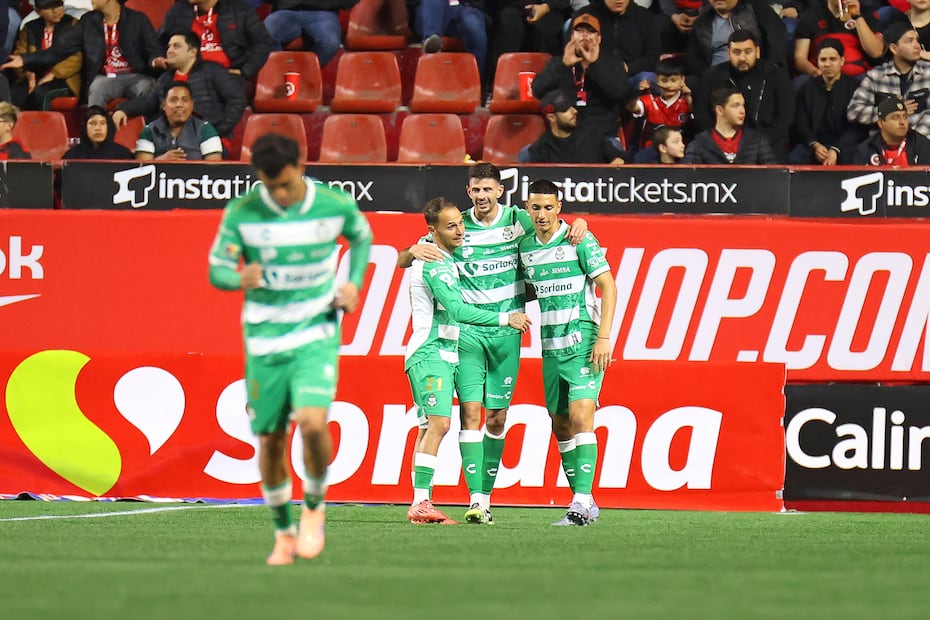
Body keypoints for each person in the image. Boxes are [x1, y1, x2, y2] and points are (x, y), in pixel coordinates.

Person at [207, 132, 373, 565]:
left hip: (314, 334)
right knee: (270, 440)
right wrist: (237, 278)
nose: (278, 194)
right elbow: (217, 269)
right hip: (263, 339)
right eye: (269, 185)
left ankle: (314, 508)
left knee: (315, 425)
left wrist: (353, 282)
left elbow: (361, 236)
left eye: (284, 184)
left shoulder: (332, 204)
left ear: (300, 169)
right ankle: (283, 531)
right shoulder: (243, 212)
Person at [397, 162, 589, 524]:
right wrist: (409, 251)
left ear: (501, 191)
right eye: (476, 190)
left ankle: (485, 495)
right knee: (469, 413)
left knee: (497, 419)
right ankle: (476, 502)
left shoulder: (519, 220)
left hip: (506, 335)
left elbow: (556, 227)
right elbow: (408, 257)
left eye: (489, 189)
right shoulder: (456, 225)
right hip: (468, 332)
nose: (482, 196)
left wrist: (581, 224)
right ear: (469, 192)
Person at [404, 196, 531, 525]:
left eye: (460, 224)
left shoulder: (442, 255)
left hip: (443, 352)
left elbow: (406, 256)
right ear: (433, 232)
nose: (460, 230)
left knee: (427, 426)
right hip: (431, 351)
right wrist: (507, 319)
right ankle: (421, 503)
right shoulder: (434, 261)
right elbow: (458, 311)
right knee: (440, 424)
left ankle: (421, 502)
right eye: (451, 226)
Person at [517, 179, 616, 527]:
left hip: (583, 340)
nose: (542, 214)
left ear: (559, 207)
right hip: (549, 346)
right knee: (560, 424)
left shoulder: (579, 240)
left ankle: (580, 500)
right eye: (536, 208)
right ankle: (584, 502)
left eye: (548, 207)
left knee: (581, 415)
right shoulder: (525, 246)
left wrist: (603, 337)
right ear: (527, 210)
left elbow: (608, 285)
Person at [1, 0, 164, 108]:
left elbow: (152, 49)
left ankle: (148, 137)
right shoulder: (89, 21)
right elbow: (60, 50)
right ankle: (95, 142)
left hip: (134, 75)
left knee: (151, 88)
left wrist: (155, 60)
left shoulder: (137, 19)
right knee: (96, 89)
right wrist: (24, 59)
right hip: (105, 78)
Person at [112, 31, 247, 139]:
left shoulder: (213, 71)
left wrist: (217, 132)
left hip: (209, 138)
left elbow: (237, 100)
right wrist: (123, 109)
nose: (169, 51)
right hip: (172, 140)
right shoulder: (166, 78)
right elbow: (149, 101)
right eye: (169, 46)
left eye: (176, 46)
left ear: (192, 52)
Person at [692, 29, 794, 162]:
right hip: (721, 145)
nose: (742, 58)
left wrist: (758, 143)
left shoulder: (774, 75)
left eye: (748, 51)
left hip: (768, 142)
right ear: (728, 53)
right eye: (736, 52)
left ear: (757, 52)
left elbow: (785, 116)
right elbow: (702, 115)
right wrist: (721, 140)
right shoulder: (712, 76)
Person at [531, 12, 632, 139]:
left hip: (602, 137)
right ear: (572, 36)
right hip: (565, 136)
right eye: (579, 31)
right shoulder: (558, 62)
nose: (584, 35)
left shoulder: (613, 63)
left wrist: (595, 65)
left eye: (590, 31)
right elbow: (537, 90)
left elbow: (621, 94)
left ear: (599, 38)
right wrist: (563, 66)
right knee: (526, 154)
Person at [848, 22, 930, 140]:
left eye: (917, 40)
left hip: (921, 144)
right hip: (883, 145)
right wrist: (889, 110)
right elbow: (854, 111)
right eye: (909, 41)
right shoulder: (876, 75)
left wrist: (912, 143)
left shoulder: (928, 72)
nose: (917, 46)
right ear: (894, 48)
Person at [159, 0, 273, 82]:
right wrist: (159, 58)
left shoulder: (240, 10)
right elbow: (160, 41)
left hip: (226, 76)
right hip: (186, 73)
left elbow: (262, 42)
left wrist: (245, 71)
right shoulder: (178, 11)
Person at [791, 38, 864, 165]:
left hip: (845, 146)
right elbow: (800, 122)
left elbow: (858, 127)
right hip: (815, 145)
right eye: (823, 60)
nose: (827, 64)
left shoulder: (855, 88)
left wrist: (836, 150)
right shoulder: (807, 88)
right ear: (818, 62)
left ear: (842, 61)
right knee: (795, 158)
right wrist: (814, 145)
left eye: (833, 59)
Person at [685, 0, 787, 79]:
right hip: (718, 79)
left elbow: (776, 37)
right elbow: (693, 59)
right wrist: (711, 76)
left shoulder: (753, 8)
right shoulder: (701, 22)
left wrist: (766, 70)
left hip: (754, 74)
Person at [9, 0, 81, 111]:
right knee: (16, 92)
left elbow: (78, 58)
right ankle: (17, 127)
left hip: (64, 78)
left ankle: (42, 128)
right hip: (36, 76)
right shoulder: (30, 27)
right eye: (49, 8)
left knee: (41, 93)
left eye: (58, 5)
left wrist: (53, 74)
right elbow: (19, 54)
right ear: (38, 11)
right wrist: (28, 73)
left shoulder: (73, 24)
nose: (55, 11)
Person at [521, 89, 627, 163]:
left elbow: (623, 157)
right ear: (551, 117)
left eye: (573, 107)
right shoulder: (541, 149)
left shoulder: (592, 137)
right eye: (566, 109)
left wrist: (616, 163)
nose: (574, 111)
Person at [684, 85, 777, 163]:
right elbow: (688, 177)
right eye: (736, 106)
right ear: (719, 110)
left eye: (743, 105)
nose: (742, 111)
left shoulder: (757, 141)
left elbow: (772, 174)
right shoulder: (699, 144)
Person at [793, 0, 883, 80]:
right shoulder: (811, 16)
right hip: (822, 77)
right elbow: (800, 58)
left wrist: (857, 16)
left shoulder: (867, 12)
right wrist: (814, 71)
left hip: (859, 76)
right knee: (801, 82)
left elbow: (875, 52)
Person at [134, 82, 223, 160]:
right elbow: (142, 169)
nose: (179, 105)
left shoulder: (205, 129)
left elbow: (214, 169)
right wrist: (162, 161)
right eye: (173, 100)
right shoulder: (149, 131)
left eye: (185, 100)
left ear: (192, 105)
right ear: (164, 105)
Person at [584, 0, 661, 88]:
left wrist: (629, 68)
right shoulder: (585, 16)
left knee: (648, 78)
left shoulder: (645, 17)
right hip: (597, 76)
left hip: (633, 76)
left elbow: (653, 56)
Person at [262, 0, 358, 66]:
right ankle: (279, 74)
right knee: (265, 34)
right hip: (286, 11)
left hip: (323, 12)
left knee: (330, 42)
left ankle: (304, 73)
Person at [416, 0, 491, 84]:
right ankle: (432, 41)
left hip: (467, 6)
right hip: (434, 10)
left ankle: (476, 82)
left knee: (472, 23)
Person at [626, 57, 691, 149]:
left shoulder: (688, 101)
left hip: (680, 153)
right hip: (651, 153)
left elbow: (697, 115)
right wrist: (637, 93)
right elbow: (632, 107)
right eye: (664, 81)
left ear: (682, 79)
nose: (668, 85)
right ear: (656, 79)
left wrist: (688, 97)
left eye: (673, 80)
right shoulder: (649, 101)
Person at [851, 94, 930, 164]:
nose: (902, 122)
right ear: (881, 123)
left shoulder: (922, 145)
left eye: (905, 117)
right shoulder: (865, 150)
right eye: (895, 118)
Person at [63, 104, 133, 158]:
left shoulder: (123, 155)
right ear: (85, 127)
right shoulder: (72, 157)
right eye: (93, 123)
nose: (98, 128)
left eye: (102, 123)